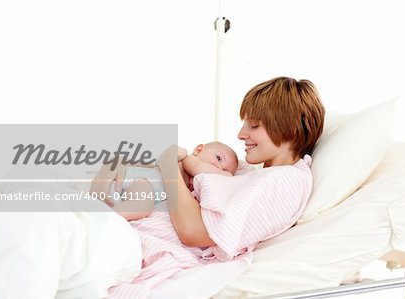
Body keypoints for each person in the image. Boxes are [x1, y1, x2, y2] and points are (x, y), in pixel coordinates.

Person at [90, 76, 325, 295]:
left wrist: (167, 164)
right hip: (123, 225)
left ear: (290, 129)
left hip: (133, 241)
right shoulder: (252, 170)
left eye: (254, 125)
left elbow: (195, 233)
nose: (241, 134)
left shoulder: (285, 182)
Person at [106, 141, 238, 221]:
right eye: (219, 158)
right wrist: (228, 176)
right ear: (198, 150)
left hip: (137, 188)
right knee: (142, 207)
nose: (218, 168)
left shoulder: (196, 184)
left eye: (225, 169)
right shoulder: (189, 160)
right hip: (143, 180)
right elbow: (202, 170)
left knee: (141, 205)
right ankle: (105, 217)